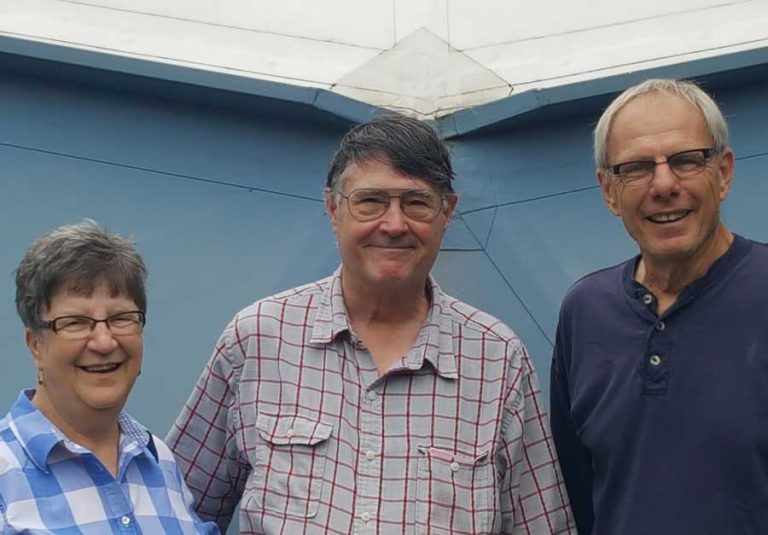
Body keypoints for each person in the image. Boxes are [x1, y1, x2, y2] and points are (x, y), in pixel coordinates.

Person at [168, 114, 575, 534]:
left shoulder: (497, 359)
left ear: (447, 212)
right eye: (371, 201)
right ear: (333, 209)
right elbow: (173, 513)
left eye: (416, 202)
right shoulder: (258, 339)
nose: (394, 224)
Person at [550, 78, 768, 534]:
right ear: (609, 190)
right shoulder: (585, 312)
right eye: (637, 168)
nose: (664, 184)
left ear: (723, 173)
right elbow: (576, 494)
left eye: (686, 160)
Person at [0, 220, 219, 534]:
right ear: (36, 344)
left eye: (121, 318)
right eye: (76, 322)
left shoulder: (159, 462)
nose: (104, 342)